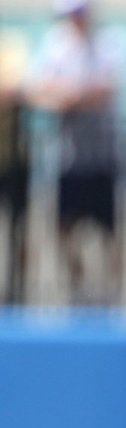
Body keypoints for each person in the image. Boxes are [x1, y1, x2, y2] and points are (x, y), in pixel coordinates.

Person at [25, 0, 123, 305]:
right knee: (63, 226)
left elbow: (105, 89)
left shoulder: (110, 44)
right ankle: (79, 288)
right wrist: (66, 95)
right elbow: (40, 89)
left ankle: (111, 293)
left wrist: (72, 96)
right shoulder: (56, 45)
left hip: (103, 155)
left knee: (110, 230)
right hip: (69, 157)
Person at [0, 29, 30, 304]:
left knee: (18, 229)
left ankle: (16, 293)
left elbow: (14, 89)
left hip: (12, 159)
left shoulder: (11, 46)